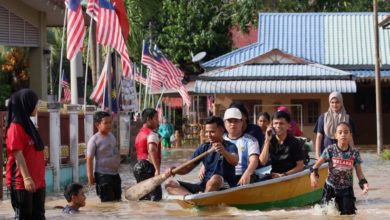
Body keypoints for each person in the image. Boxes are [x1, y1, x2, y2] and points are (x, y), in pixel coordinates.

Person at [165, 116, 238, 195]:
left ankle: (202, 199)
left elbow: (235, 161)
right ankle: (194, 200)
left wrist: (224, 152)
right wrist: (174, 170)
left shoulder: (230, 146)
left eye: (212, 132)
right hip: (205, 185)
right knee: (169, 184)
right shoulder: (203, 147)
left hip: (224, 185)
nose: (208, 135)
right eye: (207, 132)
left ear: (221, 130)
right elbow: (187, 168)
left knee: (215, 179)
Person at [310, 122, 368, 215]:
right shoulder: (330, 150)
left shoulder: (354, 153)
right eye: (340, 132)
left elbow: (359, 174)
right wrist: (313, 177)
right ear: (335, 135)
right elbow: (315, 167)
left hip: (347, 189)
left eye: (346, 132)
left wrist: (364, 185)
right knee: (328, 214)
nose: (343, 135)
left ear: (350, 135)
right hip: (330, 188)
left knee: (348, 216)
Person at [5, 89, 46, 220]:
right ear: (26, 103)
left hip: (38, 181)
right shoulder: (15, 127)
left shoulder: (29, 125)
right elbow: (18, 154)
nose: (37, 106)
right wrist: (27, 178)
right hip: (22, 182)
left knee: (39, 216)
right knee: (24, 216)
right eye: (35, 103)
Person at [86, 111, 121, 202]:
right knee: (107, 202)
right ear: (97, 125)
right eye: (106, 123)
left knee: (118, 201)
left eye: (110, 122)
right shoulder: (94, 140)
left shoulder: (112, 136)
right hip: (103, 175)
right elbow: (89, 159)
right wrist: (90, 177)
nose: (109, 125)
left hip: (115, 175)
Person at [259, 111, 305, 179]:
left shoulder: (294, 142)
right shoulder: (270, 140)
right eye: (275, 123)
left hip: (291, 177)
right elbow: (262, 162)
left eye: (281, 123)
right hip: (274, 176)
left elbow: (300, 166)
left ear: (288, 125)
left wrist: (284, 175)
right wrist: (267, 140)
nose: (278, 126)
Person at [314, 92, 355, 159]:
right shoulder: (323, 117)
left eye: (337, 102)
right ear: (329, 103)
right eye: (332, 102)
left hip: (343, 154)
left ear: (341, 102)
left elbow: (350, 138)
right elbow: (319, 137)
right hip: (326, 154)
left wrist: (352, 155)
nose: (334, 105)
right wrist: (317, 156)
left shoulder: (347, 118)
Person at [223, 108, 259, 185]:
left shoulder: (251, 140)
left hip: (243, 175)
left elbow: (254, 161)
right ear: (225, 123)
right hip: (223, 176)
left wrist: (247, 174)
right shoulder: (220, 139)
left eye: (236, 121)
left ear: (242, 122)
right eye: (229, 121)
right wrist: (204, 167)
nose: (232, 124)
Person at [133, 108, 162, 201]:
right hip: (148, 167)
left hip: (138, 168)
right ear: (149, 119)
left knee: (143, 199)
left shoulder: (139, 134)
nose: (158, 121)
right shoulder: (152, 134)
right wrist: (157, 170)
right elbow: (152, 150)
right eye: (156, 118)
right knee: (155, 199)